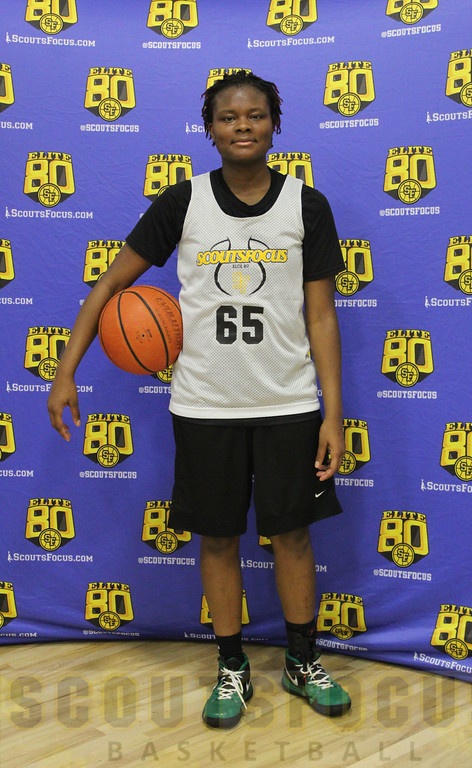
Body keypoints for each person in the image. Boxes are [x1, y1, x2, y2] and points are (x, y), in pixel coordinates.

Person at [48, 70, 350, 728]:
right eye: (228, 116)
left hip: (288, 402)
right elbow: (109, 286)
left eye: (255, 115)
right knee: (217, 539)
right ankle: (232, 667)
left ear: (275, 124)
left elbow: (322, 315)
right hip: (205, 404)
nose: (243, 125)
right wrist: (66, 370)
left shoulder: (307, 205)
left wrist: (332, 413)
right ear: (209, 129)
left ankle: (302, 661)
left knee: (292, 535)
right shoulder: (183, 201)